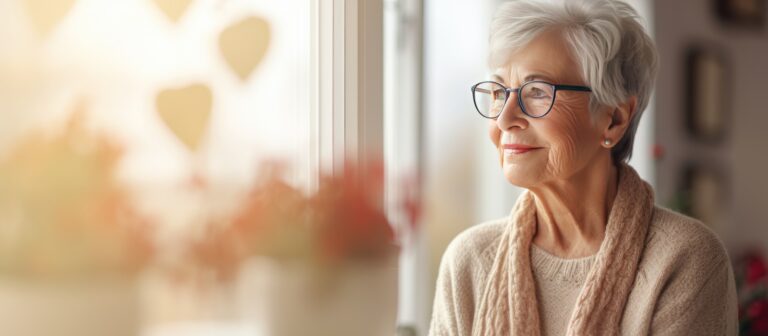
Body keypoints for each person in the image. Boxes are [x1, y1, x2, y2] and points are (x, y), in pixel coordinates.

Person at [428, 0, 738, 335]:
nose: (504, 119)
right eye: (499, 92)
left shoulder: (684, 260)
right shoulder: (469, 262)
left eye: (537, 92)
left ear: (614, 119)